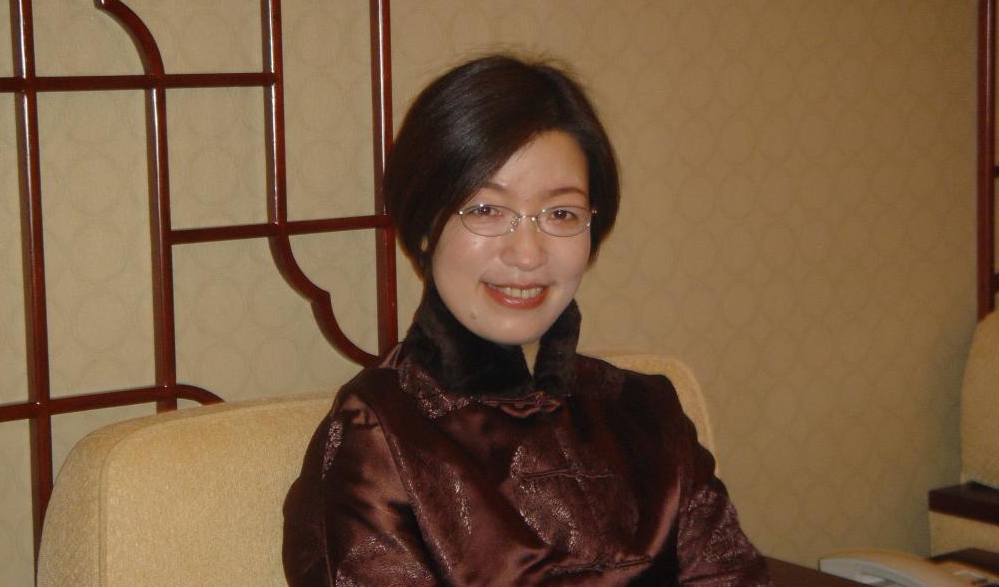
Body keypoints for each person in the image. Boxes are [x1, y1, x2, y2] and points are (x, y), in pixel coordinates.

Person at [282, 54, 770, 585]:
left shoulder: (649, 411)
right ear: (424, 225)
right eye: (486, 210)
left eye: (561, 214)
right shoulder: (380, 432)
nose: (528, 253)